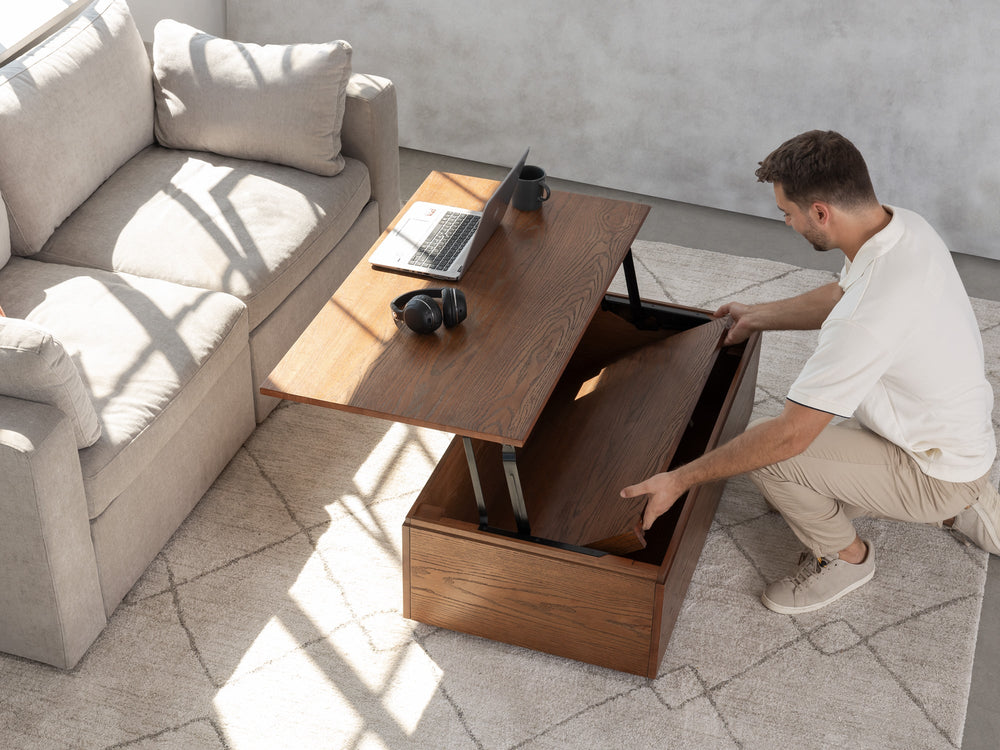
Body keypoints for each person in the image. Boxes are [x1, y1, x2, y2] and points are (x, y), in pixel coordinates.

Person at [620, 130, 1000, 614]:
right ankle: (963, 503)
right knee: (790, 471)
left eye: (787, 212)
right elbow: (839, 295)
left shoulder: (867, 319)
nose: (786, 222)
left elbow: (789, 437)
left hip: (932, 470)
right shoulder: (902, 229)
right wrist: (756, 315)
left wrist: (678, 480)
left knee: (771, 456)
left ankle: (847, 558)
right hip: (949, 434)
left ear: (820, 211)